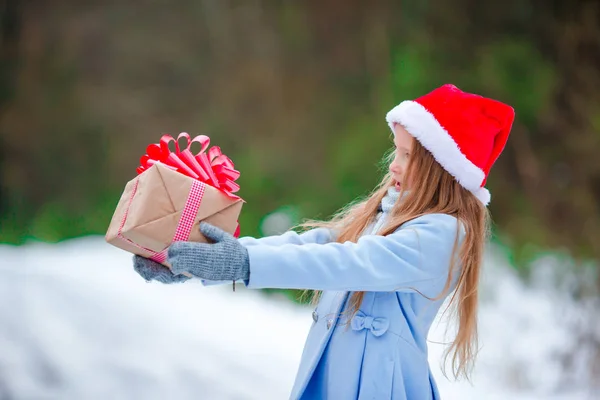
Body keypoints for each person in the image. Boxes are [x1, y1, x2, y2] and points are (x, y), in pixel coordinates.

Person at [133, 84, 515, 399]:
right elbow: (312, 245)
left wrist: (243, 265)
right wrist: (209, 258)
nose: (393, 165)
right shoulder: (385, 212)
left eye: (407, 155)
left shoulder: (444, 234)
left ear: (441, 169)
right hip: (332, 380)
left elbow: (345, 262)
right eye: (395, 151)